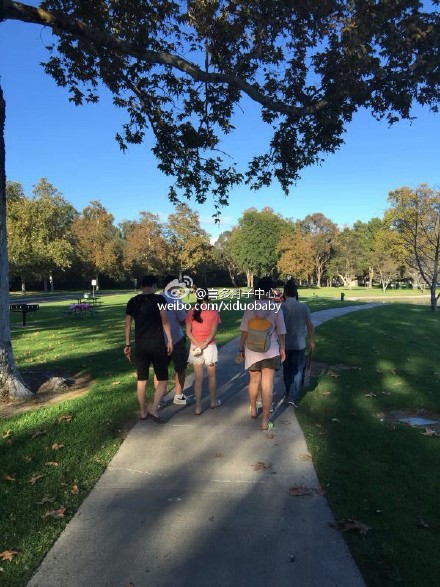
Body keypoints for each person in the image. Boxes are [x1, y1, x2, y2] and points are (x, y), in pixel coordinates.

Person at [239, 277, 286, 431]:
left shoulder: (250, 307)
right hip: (271, 350)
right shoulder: (276, 308)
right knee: (267, 384)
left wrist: (241, 348)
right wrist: (282, 348)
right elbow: (281, 331)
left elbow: (244, 330)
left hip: (252, 350)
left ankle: (253, 408)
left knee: (253, 381)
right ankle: (265, 421)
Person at [124, 275, 173, 423]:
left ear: (142, 286)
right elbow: (165, 321)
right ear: (154, 285)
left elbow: (127, 325)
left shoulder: (132, 301)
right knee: (162, 378)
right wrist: (170, 340)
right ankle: (154, 409)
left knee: (142, 379)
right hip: (157, 344)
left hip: (141, 345)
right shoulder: (160, 300)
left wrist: (127, 344)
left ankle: (142, 412)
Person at [155, 274, 189, 406]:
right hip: (175, 339)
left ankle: (159, 399)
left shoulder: (156, 298)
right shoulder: (176, 299)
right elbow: (182, 319)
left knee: (159, 370)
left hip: (159, 339)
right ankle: (178, 395)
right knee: (180, 368)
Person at [281, 279, 315, 408]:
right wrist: (312, 341)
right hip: (299, 344)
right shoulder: (304, 307)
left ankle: (287, 391)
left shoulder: (280, 308)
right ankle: (294, 397)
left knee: (287, 370)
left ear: (285, 293)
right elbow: (310, 326)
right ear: (296, 293)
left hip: (285, 344)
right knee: (298, 370)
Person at [186, 293, 221, 416]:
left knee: (198, 378)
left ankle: (198, 407)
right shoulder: (213, 312)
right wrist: (205, 343)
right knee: (212, 376)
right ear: (208, 298)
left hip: (195, 347)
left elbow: (188, 332)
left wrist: (198, 344)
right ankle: (213, 401)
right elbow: (213, 331)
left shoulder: (191, 311)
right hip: (209, 346)